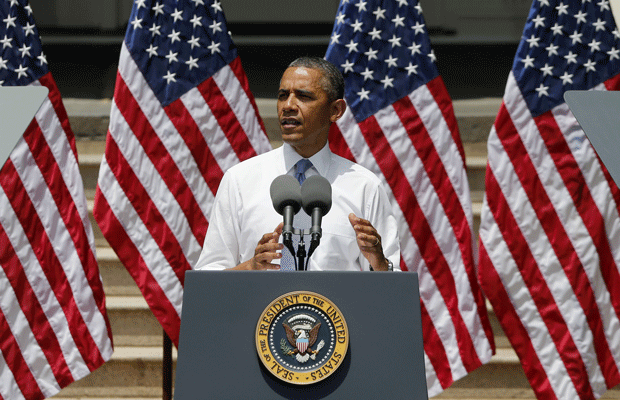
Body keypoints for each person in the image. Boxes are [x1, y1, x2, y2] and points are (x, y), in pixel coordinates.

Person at [195, 57, 400, 271]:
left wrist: (380, 263)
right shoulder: (239, 180)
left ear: (335, 110)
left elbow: (392, 290)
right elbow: (209, 276)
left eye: (304, 96)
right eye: (283, 96)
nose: (288, 106)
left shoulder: (365, 187)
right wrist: (251, 267)